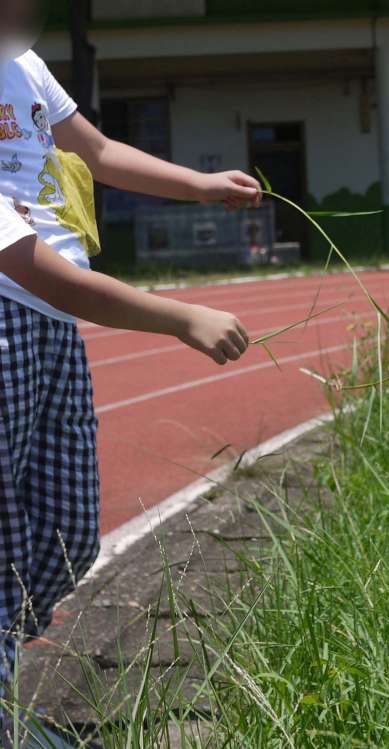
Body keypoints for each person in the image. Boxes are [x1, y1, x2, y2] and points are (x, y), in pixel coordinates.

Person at [0, 1, 261, 741]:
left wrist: (203, 184)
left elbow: (98, 151)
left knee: (69, 530)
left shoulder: (24, 68)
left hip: (52, 329)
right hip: (6, 316)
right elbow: (25, 263)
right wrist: (178, 317)